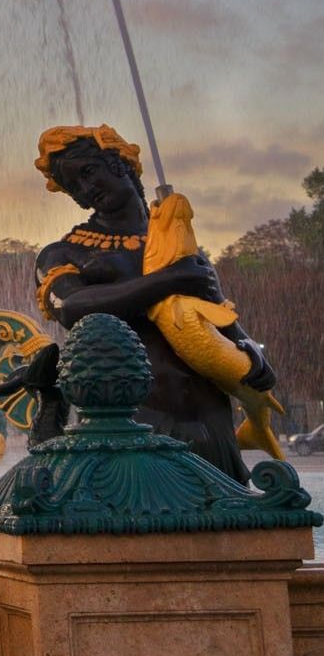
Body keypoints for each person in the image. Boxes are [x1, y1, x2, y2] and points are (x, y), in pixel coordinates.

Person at [29, 125, 277, 479]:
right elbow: (71, 306)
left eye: (88, 172)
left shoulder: (178, 246)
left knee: (229, 526)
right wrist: (168, 280)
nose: (86, 191)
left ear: (119, 162)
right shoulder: (66, 252)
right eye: (74, 187)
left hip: (212, 416)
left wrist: (252, 353)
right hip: (135, 420)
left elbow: (220, 318)